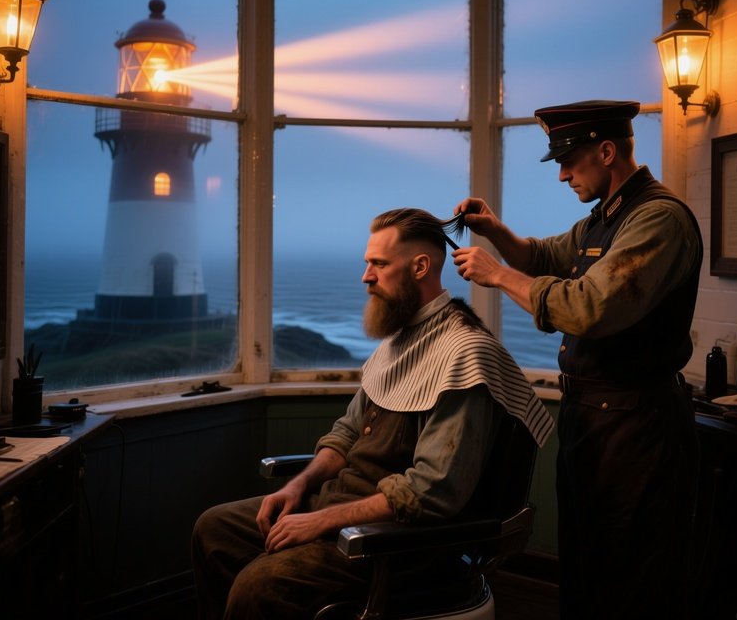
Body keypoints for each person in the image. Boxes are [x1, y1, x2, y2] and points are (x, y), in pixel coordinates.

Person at [192, 207, 553, 620]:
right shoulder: (398, 340)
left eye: (378, 264)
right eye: (367, 263)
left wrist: (321, 522)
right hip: (342, 505)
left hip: (402, 542)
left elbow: (432, 493)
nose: (366, 276)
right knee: (214, 529)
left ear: (420, 267)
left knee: (258, 585)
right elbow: (346, 435)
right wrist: (298, 486)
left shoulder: (464, 355)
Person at [452, 99, 702, 620]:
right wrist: (495, 230)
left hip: (637, 427)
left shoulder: (657, 219)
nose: (563, 174)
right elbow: (543, 256)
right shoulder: (602, 221)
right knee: (588, 563)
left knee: (629, 574)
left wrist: (497, 275)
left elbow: (588, 308)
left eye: (569, 160)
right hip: (592, 421)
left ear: (606, 151)